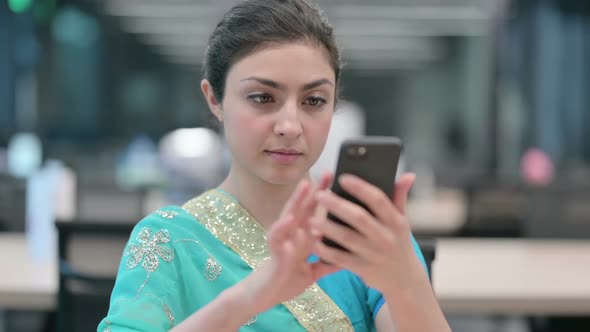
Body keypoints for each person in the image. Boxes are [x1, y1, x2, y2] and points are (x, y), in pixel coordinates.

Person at [97, 0, 451, 331]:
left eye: (314, 100)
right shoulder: (167, 240)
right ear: (214, 99)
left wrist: (407, 279)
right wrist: (248, 298)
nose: (291, 125)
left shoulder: (364, 234)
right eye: (263, 98)